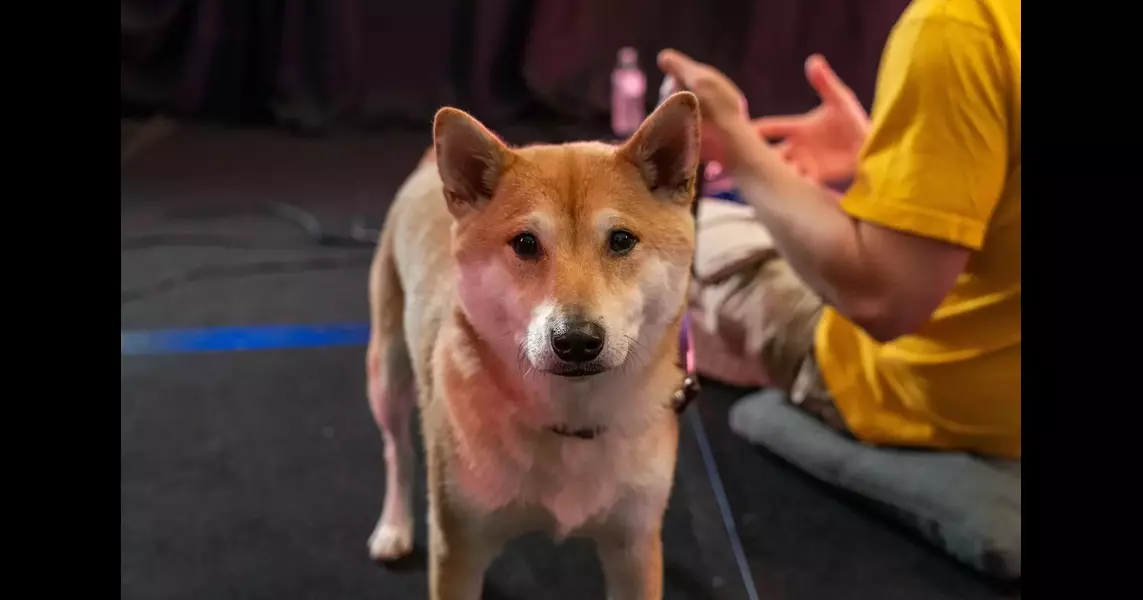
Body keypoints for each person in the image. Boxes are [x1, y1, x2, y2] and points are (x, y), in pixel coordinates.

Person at [659, 0, 1021, 459]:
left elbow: (883, 298)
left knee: (691, 235)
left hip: (942, 403)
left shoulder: (966, 22)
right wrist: (897, 167)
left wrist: (737, 146)